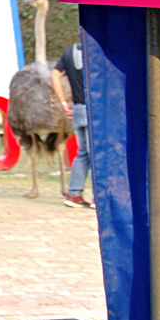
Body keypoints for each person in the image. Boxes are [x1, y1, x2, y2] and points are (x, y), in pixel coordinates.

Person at [51, 41, 91, 209]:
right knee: (96, 155)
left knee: (83, 153)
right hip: (94, 111)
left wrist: (63, 103)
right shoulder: (94, 51)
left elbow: (55, 75)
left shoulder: (70, 51)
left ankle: (74, 194)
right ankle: (100, 198)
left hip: (77, 109)